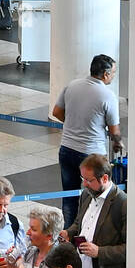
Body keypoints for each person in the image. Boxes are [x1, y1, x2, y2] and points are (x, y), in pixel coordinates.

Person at [51, 54, 121, 227]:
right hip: (92, 155)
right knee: (97, 197)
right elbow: (114, 130)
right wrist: (118, 143)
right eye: (113, 72)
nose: (113, 75)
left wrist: (75, 123)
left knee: (70, 196)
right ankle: (91, 233)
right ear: (105, 74)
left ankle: (68, 235)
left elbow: (57, 112)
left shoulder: (72, 85)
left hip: (66, 149)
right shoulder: (107, 95)